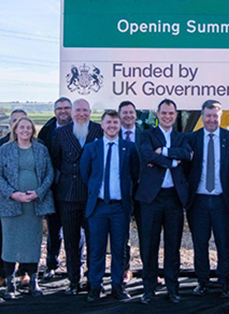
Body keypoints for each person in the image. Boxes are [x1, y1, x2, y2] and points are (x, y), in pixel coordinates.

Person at [136, 99, 192, 304]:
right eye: (164, 113)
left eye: (171, 113)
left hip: (174, 199)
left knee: (173, 246)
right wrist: (173, 162)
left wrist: (164, 152)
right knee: (149, 245)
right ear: (157, 114)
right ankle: (148, 288)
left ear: (175, 115)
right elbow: (147, 155)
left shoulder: (181, 137)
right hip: (151, 199)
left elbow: (187, 154)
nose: (167, 116)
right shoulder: (147, 135)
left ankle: (173, 288)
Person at [80, 110, 140, 302]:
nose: (112, 125)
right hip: (98, 207)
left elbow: (135, 174)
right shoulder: (91, 148)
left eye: (115, 122)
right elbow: (85, 174)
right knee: (96, 249)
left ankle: (117, 286)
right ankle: (95, 286)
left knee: (119, 250)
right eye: (109, 122)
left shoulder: (129, 148)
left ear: (119, 125)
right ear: (102, 125)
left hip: (119, 208)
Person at [0, 117, 55, 299]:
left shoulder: (41, 149)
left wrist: (38, 192)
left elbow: (49, 173)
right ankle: (10, 283)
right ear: (15, 129)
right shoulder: (5, 149)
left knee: (32, 242)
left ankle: (33, 281)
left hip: (34, 204)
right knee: (10, 243)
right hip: (10, 204)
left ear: (33, 130)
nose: (25, 130)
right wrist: (12, 194)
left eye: (28, 127)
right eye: (22, 127)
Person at [186, 100, 229, 297]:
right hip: (198, 201)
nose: (211, 119)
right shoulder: (192, 138)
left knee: (223, 242)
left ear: (220, 116)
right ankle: (203, 281)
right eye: (208, 116)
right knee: (200, 243)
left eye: (215, 116)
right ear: (202, 116)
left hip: (222, 200)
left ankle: (224, 282)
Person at [51, 98, 102, 295]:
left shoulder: (99, 130)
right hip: (68, 195)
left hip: (92, 196)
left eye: (85, 110)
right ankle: (73, 280)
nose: (81, 114)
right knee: (71, 240)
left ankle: (93, 279)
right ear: (72, 113)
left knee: (94, 240)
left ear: (90, 112)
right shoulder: (61, 132)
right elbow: (56, 160)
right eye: (78, 110)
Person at [0, 109, 27, 289]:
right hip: (5, 199)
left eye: (22, 121)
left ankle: (24, 273)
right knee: (4, 238)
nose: (18, 125)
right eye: (15, 121)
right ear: (11, 124)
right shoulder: (2, 144)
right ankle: (1, 274)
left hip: (27, 199)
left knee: (25, 237)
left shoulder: (35, 144)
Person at [38, 97, 72, 281]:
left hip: (74, 189)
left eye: (66, 108)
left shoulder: (79, 129)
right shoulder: (47, 130)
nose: (63, 111)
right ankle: (52, 264)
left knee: (75, 230)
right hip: (52, 188)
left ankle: (76, 265)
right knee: (53, 229)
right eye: (59, 108)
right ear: (54, 111)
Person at [117, 100, 142, 284]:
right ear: (119, 115)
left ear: (136, 115)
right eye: (124, 112)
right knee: (121, 235)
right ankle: (124, 270)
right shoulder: (110, 135)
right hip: (119, 193)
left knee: (147, 235)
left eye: (131, 112)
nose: (128, 115)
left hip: (144, 192)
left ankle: (151, 271)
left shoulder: (146, 136)